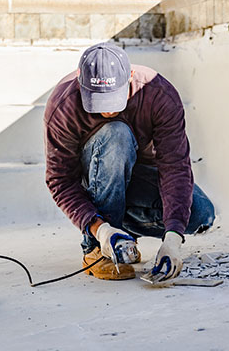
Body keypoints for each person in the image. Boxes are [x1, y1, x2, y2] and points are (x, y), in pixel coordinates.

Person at [44, 43, 215, 281]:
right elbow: (60, 181)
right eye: (98, 102)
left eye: (114, 100)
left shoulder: (158, 95)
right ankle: (98, 250)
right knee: (116, 133)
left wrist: (173, 237)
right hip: (95, 177)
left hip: (139, 176)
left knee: (200, 215)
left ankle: (122, 234)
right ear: (81, 84)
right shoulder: (63, 107)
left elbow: (175, 167)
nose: (106, 112)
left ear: (130, 77)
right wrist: (99, 230)